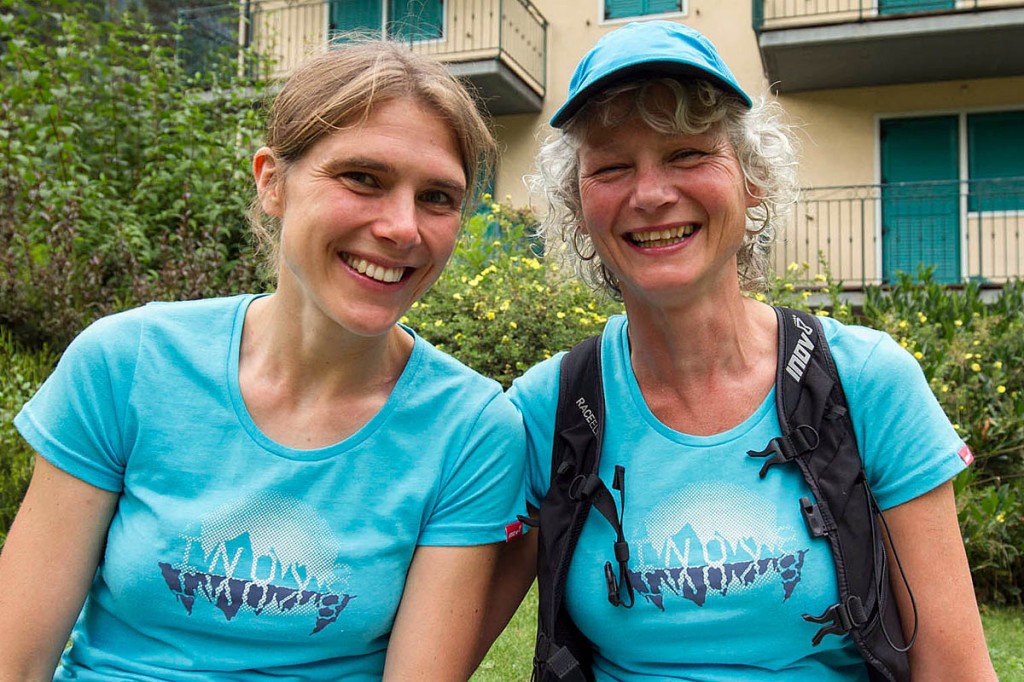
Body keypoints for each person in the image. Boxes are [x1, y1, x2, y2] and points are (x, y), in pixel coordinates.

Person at [487, 19, 997, 681]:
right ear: (579, 209)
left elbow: (954, 668)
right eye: (612, 167)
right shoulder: (549, 408)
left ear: (751, 182)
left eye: (688, 155)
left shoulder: (867, 380)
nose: (651, 194)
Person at [0, 39, 526, 681]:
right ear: (273, 182)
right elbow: (16, 659)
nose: (402, 227)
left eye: (438, 197)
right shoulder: (127, 365)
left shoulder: (469, 431)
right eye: (364, 178)